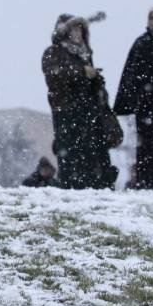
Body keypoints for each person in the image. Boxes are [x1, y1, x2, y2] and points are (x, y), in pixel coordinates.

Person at [42, 14, 118, 190]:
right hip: (67, 113)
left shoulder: (85, 53)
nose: (77, 33)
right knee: (71, 158)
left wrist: (98, 83)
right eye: (73, 29)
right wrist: (81, 72)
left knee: (95, 156)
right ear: (64, 32)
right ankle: (74, 189)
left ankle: (100, 187)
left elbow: (92, 87)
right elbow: (54, 75)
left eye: (80, 29)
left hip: (91, 114)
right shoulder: (53, 52)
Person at [114, 5, 153, 190]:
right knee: (148, 148)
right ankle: (149, 184)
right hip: (148, 108)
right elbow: (130, 74)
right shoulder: (141, 43)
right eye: (152, 17)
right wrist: (128, 102)